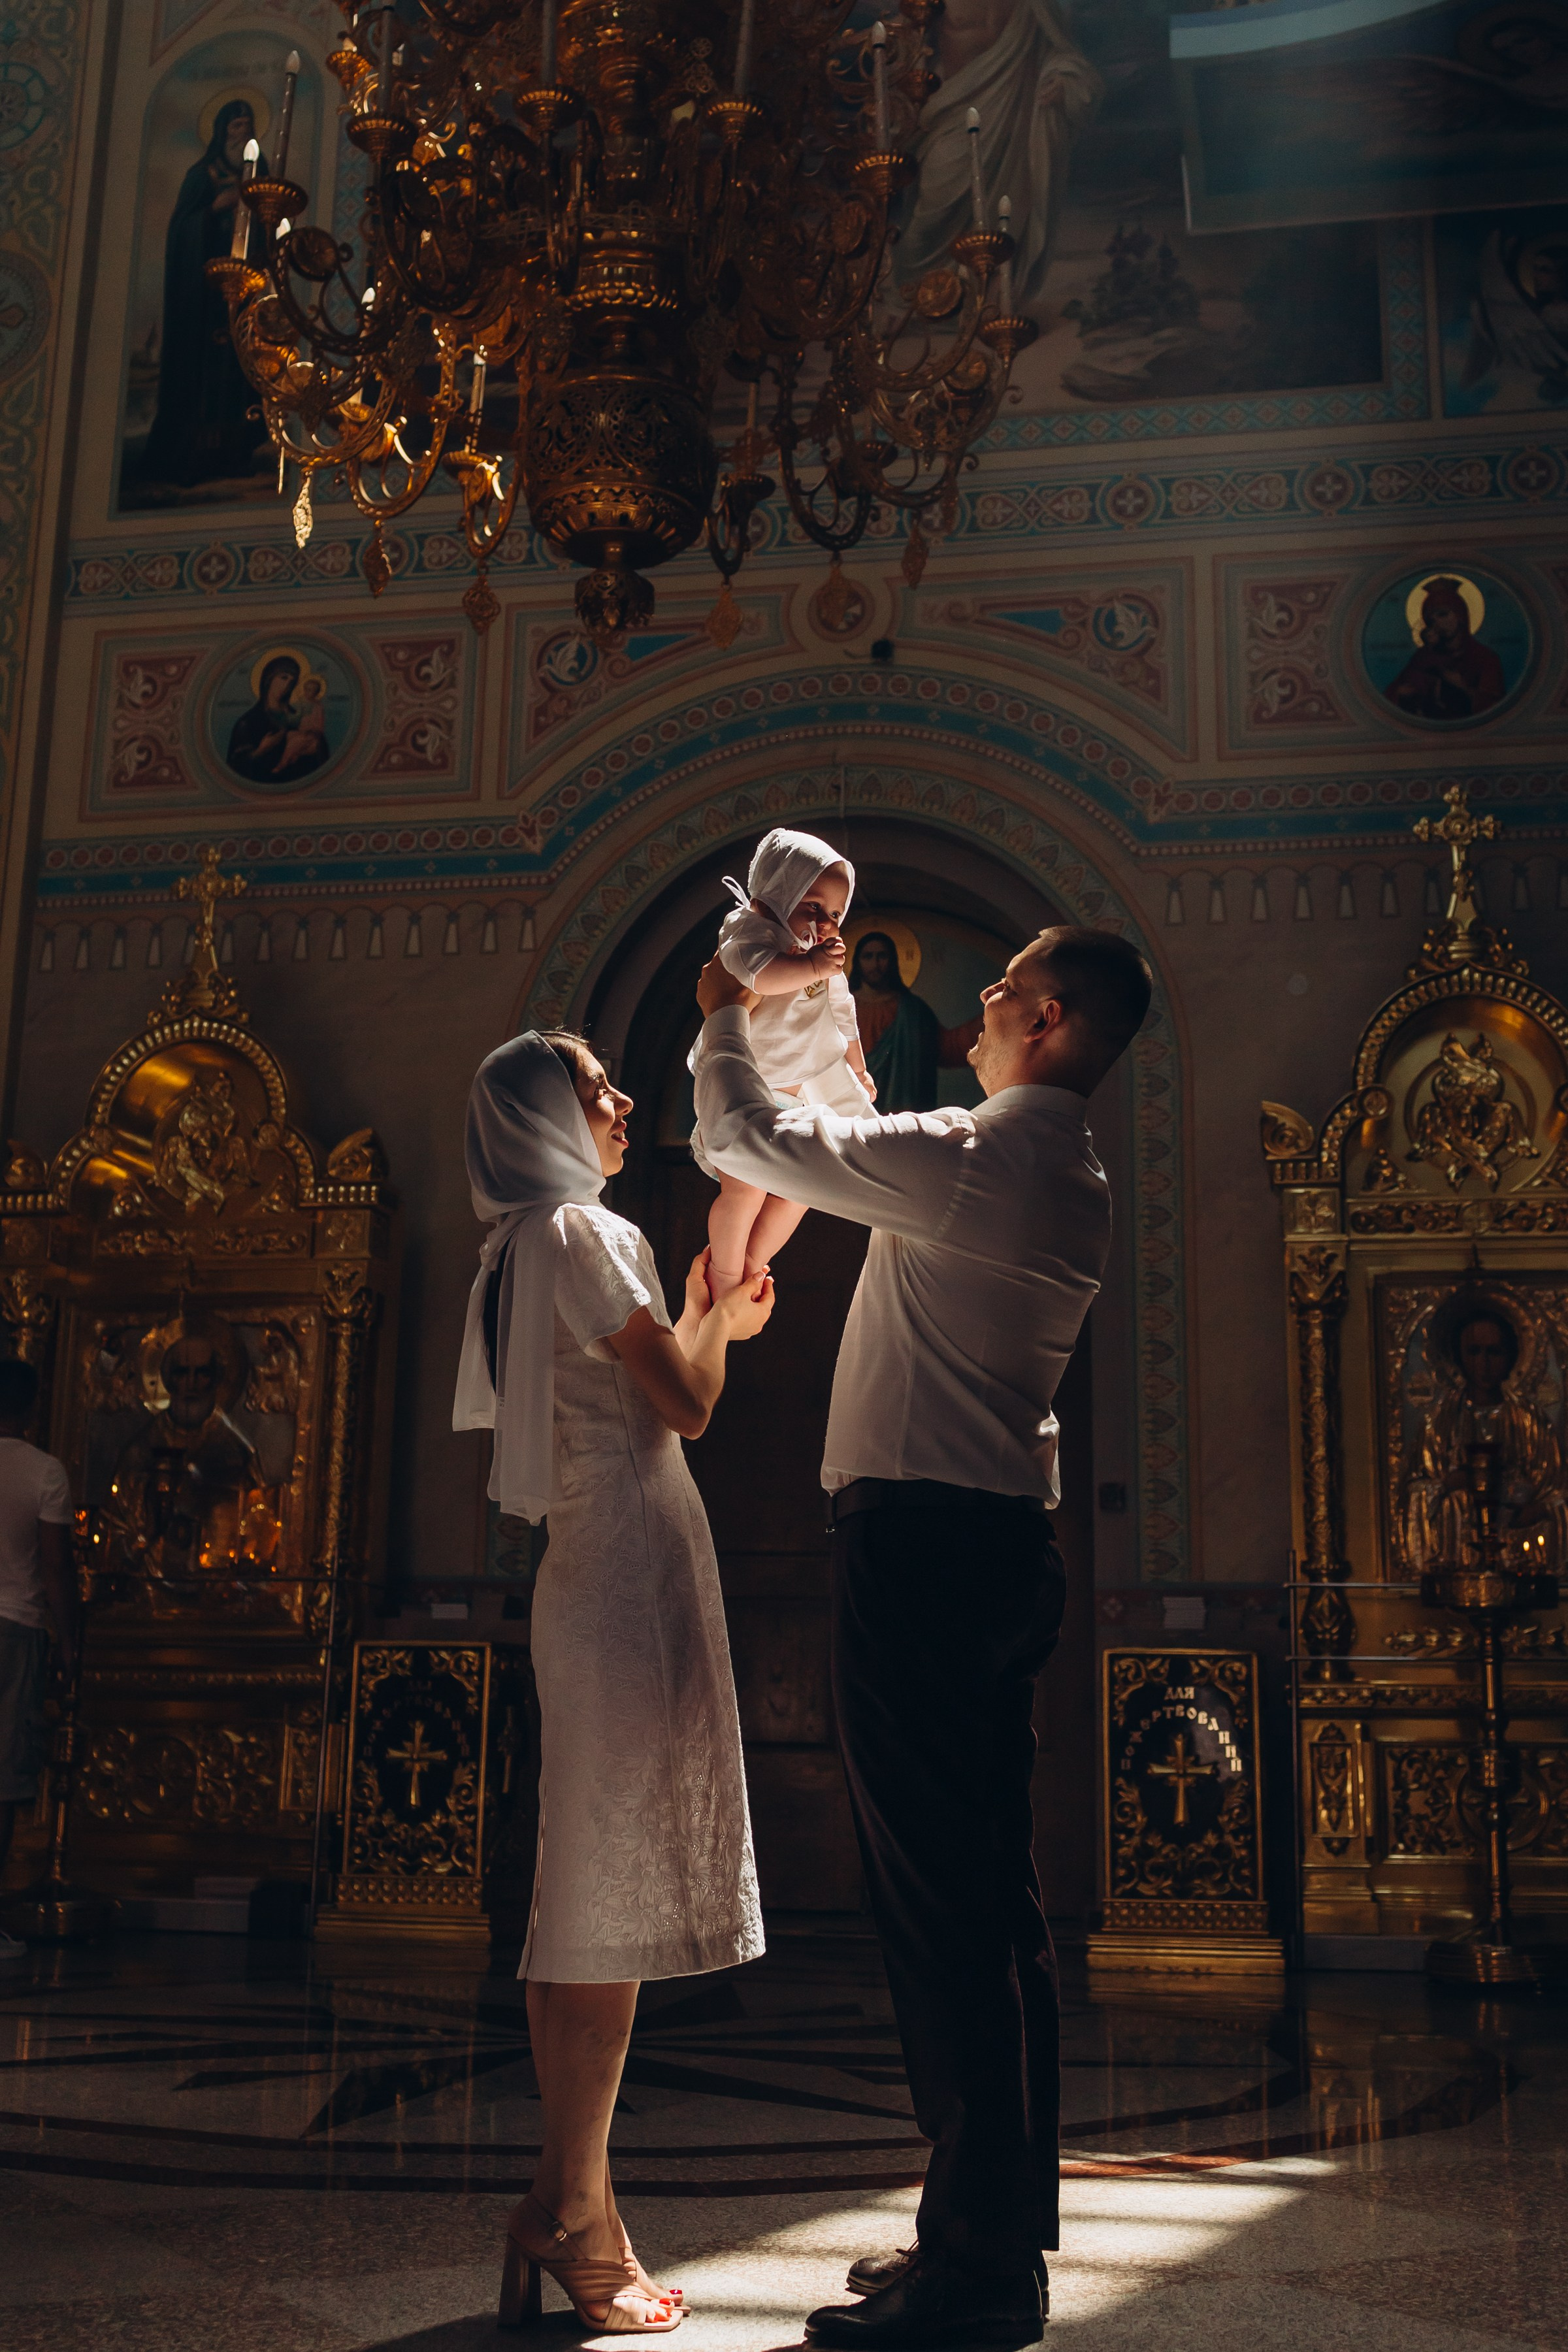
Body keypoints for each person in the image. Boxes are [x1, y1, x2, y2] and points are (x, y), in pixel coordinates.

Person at [693, 924, 1152, 2349]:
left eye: (1006, 985)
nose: (984, 1004)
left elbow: (754, 1135)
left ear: (1052, 1016)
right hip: (985, 1542)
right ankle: (979, 2236)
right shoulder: (1032, 1155)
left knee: (948, 1917)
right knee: (990, 1914)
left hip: (930, 1551)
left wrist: (723, 1012)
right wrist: (815, 1013)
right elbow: (837, 1124)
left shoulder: (991, 1160)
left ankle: (980, 2272)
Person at [452, 1028, 773, 2334]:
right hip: (627, 1575)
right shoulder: (581, 1234)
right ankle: (578, 2221)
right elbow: (684, 1407)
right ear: (542, 1118)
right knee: (597, 1910)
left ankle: (571, 2203)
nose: (623, 1101)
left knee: (583, 1900)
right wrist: (725, 1320)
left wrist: (697, 1314)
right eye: (596, 1090)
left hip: (596, 1569)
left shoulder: (519, 1247)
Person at [691, 828, 875, 1298]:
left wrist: (857, 1068)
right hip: (742, 1088)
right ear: (772, 895)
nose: (826, 922)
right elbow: (756, 976)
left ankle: (752, 1267)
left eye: (836, 913)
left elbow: (842, 1013)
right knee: (746, 1190)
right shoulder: (750, 933)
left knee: (803, 1187)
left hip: (793, 1095)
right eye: (812, 906)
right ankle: (724, 1278)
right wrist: (813, 966)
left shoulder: (820, 961)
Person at [139, 100, 270, 492]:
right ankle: (191, 456)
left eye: (247, 125)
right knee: (202, 373)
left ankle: (236, 453)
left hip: (245, 290)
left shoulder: (258, 173)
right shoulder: (202, 175)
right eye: (235, 126)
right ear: (220, 131)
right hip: (204, 297)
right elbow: (181, 229)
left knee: (238, 368)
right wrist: (214, 209)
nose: (241, 131)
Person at [0, 1358, 78, 1964]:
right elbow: (55, 1569)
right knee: (4, 1779)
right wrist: (68, 1642)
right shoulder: (44, 1472)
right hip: (16, 1632)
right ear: (31, 1405)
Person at [848, 930, 981, 1115]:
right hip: (850, 1109)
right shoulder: (843, 1007)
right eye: (868, 956)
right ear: (857, 961)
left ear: (893, 960)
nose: (875, 964)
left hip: (903, 1115)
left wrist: (989, 1019)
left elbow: (946, 1048)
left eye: (882, 956)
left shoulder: (913, 1010)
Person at [1384, 578, 1505, 721]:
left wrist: (1463, 687)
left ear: (1460, 615)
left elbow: (1497, 708)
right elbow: (1391, 699)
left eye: (1443, 614)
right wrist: (1403, 694)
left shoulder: (1485, 658)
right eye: (1431, 621)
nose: (1438, 624)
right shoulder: (1424, 657)